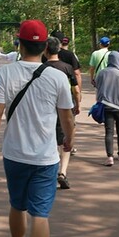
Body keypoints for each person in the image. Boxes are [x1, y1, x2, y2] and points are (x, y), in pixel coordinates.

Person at [0, 20, 74, 237]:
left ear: (19, 45)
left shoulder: (7, 74)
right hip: (45, 157)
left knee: (17, 205)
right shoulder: (57, 77)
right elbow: (66, 116)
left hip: (14, 154)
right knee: (40, 214)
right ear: (45, 47)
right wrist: (69, 139)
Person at [43, 36, 80, 189]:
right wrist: (77, 104)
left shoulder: (41, 67)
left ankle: (49, 171)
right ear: (58, 49)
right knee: (66, 139)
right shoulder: (67, 68)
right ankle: (62, 172)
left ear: (45, 50)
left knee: (49, 139)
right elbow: (76, 90)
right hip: (65, 107)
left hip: (46, 108)